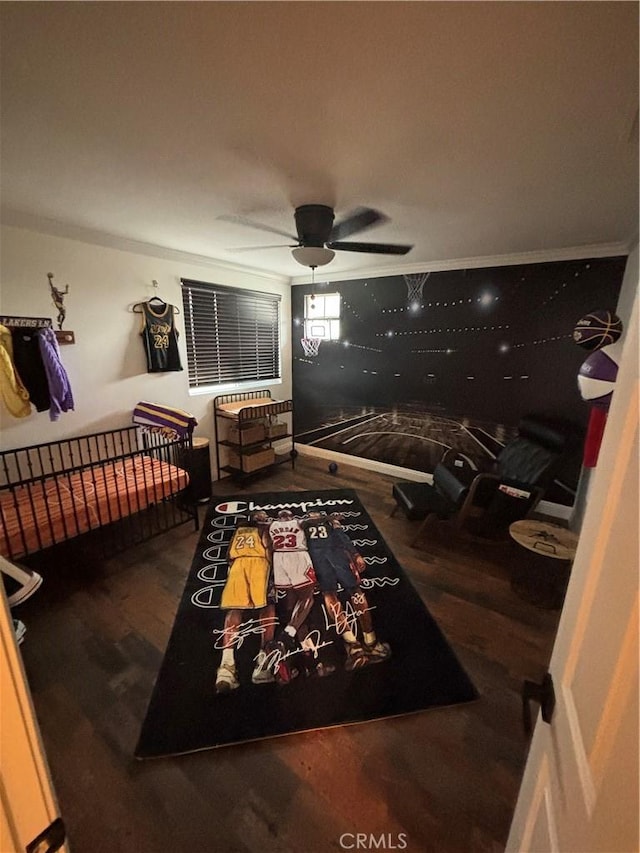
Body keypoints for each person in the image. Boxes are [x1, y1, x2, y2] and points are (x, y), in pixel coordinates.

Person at [302, 511, 391, 670]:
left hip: (320, 559)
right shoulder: (327, 521)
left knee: (333, 595)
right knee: (353, 592)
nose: (313, 515)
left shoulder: (303, 525)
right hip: (335, 557)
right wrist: (355, 554)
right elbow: (342, 537)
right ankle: (370, 642)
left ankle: (353, 644)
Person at [214, 510, 278, 693]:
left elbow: (228, 556)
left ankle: (226, 667)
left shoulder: (239, 529)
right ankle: (262, 664)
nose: (265, 517)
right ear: (261, 519)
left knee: (234, 610)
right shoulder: (264, 528)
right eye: (264, 515)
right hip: (259, 566)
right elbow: (268, 549)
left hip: (237, 566)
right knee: (267, 606)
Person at [266, 509, 331, 681]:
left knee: (294, 609)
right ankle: (287, 635)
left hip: (279, 560)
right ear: (290, 516)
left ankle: (310, 661)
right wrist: (330, 517)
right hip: (298, 556)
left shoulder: (271, 525)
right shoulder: (298, 522)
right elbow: (313, 521)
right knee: (307, 598)